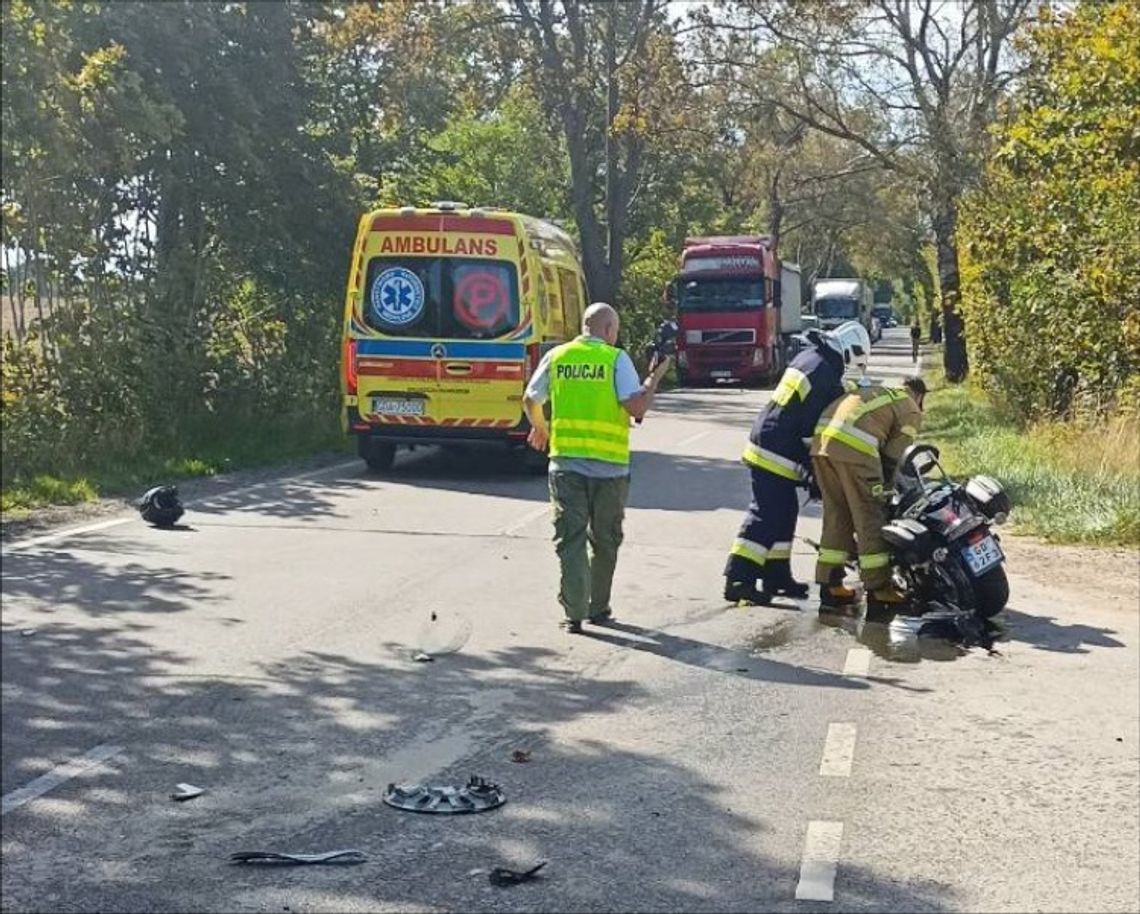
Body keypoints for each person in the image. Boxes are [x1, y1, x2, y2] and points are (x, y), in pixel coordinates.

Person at [523, 303, 671, 634]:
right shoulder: (616, 360)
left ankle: (574, 613)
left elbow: (530, 399)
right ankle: (598, 607)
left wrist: (541, 428)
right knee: (605, 540)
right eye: (615, 330)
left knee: (570, 539)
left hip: (565, 465)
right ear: (607, 330)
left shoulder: (558, 357)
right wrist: (654, 377)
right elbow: (636, 407)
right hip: (610, 470)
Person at [723, 321, 871, 604]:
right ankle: (738, 578)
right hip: (775, 448)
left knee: (784, 511)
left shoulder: (811, 357)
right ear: (850, 351)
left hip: (771, 440)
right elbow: (814, 429)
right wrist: (819, 471)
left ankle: (776, 577)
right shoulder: (825, 373)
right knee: (767, 514)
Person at [810, 375, 927, 611]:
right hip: (856, 451)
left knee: (837, 515)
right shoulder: (911, 409)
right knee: (870, 516)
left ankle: (830, 585)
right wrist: (886, 490)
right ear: (920, 396)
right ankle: (879, 589)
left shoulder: (879, 392)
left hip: (821, 446)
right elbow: (895, 458)